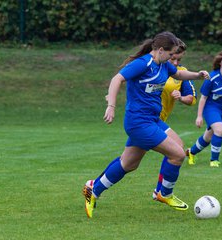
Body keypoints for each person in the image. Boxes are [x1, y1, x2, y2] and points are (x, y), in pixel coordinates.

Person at [82, 31, 209, 218]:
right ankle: (163, 193)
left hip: (152, 120)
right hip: (139, 122)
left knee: (129, 163)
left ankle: (93, 188)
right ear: (159, 50)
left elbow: (180, 75)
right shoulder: (143, 64)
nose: (173, 57)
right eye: (171, 54)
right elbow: (117, 79)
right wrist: (111, 105)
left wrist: (198, 75)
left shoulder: (164, 65)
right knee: (177, 154)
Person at [152, 38, 197, 200]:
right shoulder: (155, 67)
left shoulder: (181, 73)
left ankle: (160, 192)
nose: (176, 62)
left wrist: (181, 97)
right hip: (147, 119)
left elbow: (191, 99)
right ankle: (162, 192)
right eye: (173, 58)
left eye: (179, 59)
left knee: (128, 163)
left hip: (157, 120)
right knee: (128, 163)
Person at [186, 50, 222, 167]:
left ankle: (191, 152)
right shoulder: (211, 77)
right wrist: (199, 116)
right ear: (220, 63)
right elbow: (203, 98)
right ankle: (214, 160)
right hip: (211, 108)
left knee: (208, 136)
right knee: (220, 130)